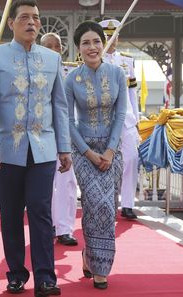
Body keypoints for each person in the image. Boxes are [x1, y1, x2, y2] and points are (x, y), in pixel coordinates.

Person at [0, 0, 72, 296]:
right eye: (25, 18)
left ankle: (46, 278)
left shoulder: (52, 59)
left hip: (43, 148)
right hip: (7, 149)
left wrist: (64, 147)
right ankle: (16, 273)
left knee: (41, 211)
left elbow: (59, 105)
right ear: (11, 23)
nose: (32, 23)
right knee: (12, 213)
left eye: (36, 18)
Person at [65, 21, 127, 289]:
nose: (92, 47)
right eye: (86, 43)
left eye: (97, 42)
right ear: (78, 48)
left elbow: (121, 114)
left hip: (112, 150)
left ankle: (89, 255)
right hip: (84, 149)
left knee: (108, 207)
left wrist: (111, 151)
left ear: (104, 44)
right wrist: (89, 153)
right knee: (95, 204)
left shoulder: (117, 74)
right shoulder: (70, 79)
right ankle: (100, 268)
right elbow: (67, 120)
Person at [99, 19, 140, 220]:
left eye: (114, 36)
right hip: (102, 118)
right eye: (107, 36)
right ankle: (105, 201)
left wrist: (137, 119)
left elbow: (133, 93)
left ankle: (128, 203)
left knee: (131, 158)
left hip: (126, 118)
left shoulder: (127, 61)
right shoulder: (92, 58)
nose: (111, 40)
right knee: (102, 161)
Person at [40, 32, 78, 246]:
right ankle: (49, 224)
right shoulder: (35, 71)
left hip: (66, 134)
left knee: (67, 181)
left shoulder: (72, 73)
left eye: (58, 46)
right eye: (49, 46)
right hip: (42, 133)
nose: (54, 49)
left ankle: (64, 228)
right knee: (44, 183)